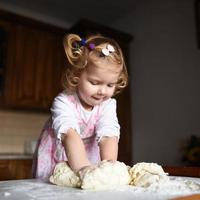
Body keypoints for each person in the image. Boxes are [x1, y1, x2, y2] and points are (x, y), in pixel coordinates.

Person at [32, 33, 128, 179]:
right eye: (95, 83)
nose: (102, 91)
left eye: (110, 85)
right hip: (60, 157)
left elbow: (108, 136)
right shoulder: (63, 102)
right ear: (77, 75)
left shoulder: (107, 105)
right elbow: (69, 135)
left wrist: (109, 168)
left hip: (88, 157)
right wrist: (84, 170)